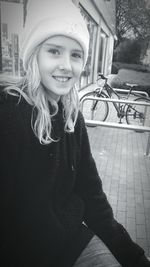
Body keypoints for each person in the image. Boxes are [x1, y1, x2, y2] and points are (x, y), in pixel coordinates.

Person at [0, 0, 150, 266]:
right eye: (54, 51)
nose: (66, 66)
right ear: (34, 54)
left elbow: (92, 196)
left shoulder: (72, 116)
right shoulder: (9, 114)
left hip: (72, 242)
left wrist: (134, 258)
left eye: (76, 54)